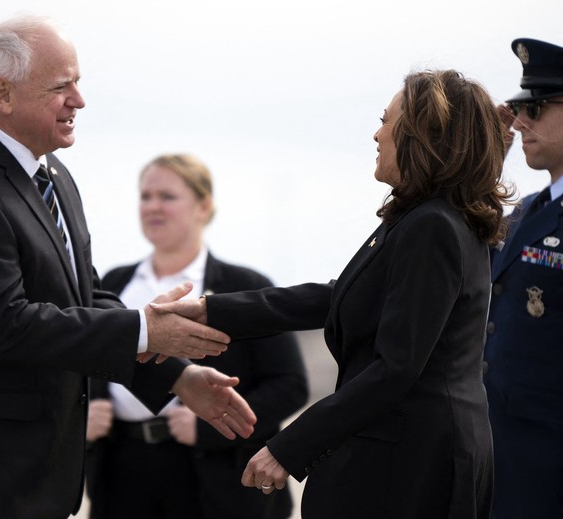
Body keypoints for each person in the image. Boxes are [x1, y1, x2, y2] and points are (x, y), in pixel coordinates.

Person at [0, 15, 257, 519]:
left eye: (77, 82)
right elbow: (5, 326)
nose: (79, 100)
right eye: (61, 86)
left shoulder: (54, 175)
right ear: (3, 93)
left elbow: (84, 300)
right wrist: (145, 330)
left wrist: (174, 375)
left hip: (36, 476)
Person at [155, 69, 512, 518]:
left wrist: (288, 447)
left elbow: (395, 369)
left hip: (412, 467)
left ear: (424, 136)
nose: (376, 134)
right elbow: (338, 295)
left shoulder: (432, 226)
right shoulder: (425, 218)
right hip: (409, 455)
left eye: (387, 120)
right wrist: (211, 311)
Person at [84, 154, 309, 519]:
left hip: (215, 477)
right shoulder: (112, 284)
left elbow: (290, 386)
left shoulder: (245, 288)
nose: (152, 207)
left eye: (167, 196)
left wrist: (210, 430)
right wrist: (84, 423)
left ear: (203, 206)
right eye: (146, 196)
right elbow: (83, 359)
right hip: (120, 469)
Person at [484, 38, 563, 518]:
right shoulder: (528, 212)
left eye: (534, 106)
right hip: (504, 469)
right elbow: (459, 250)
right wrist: (487, 161)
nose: (519, 121)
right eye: (517, 108)